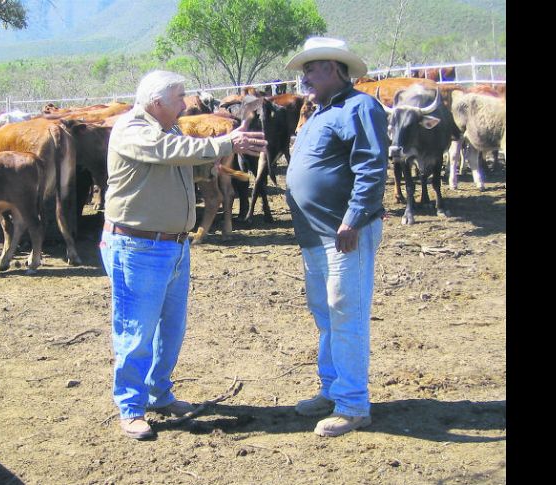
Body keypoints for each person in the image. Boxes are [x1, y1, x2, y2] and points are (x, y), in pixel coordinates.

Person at [100, 70, 267, 440]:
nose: (186, 104)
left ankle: (159, 393)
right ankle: (130, 406)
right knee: (136, 330)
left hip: (172, 245)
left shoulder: (169, 129)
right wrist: (225, 142)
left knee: (170, 329)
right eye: (180, 97)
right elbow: (169, 153)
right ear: (157, 103)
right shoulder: (133, 129)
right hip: (137, 246)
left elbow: (180, 159)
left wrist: (222, 152)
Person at [284, 38, 390, 437]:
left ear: (334, 69)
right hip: (316, 235)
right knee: (327, 315)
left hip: (343, 232)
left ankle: (352, 404)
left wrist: (355, 218)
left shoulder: (360, 107)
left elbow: (371, 167)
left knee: (346, 315)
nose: (305, 76)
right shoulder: (319, 113)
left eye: (311, 68)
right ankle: (332, 389)